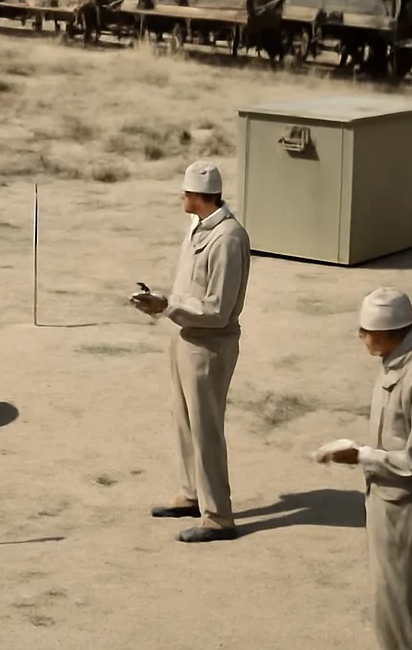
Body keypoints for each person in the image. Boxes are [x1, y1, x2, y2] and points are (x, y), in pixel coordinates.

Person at [318, 288, 412, 650]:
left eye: (366, 331)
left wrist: (361, 456)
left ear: (387, 332)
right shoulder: (398, 360)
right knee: (390, 608)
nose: (361, 337)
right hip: (390, 499)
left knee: (407, 610)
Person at [131, 160, 252, 544]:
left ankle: (218, 517)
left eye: (186, 192)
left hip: (210, 344)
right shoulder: (198, 226)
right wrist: (163, 303)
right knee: (184, 420)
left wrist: (167, 305)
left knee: (206, 428)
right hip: (186, 336)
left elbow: (218, 309)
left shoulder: (227, 239)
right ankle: (192, 494)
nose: (181, 197)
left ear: (199, 196)